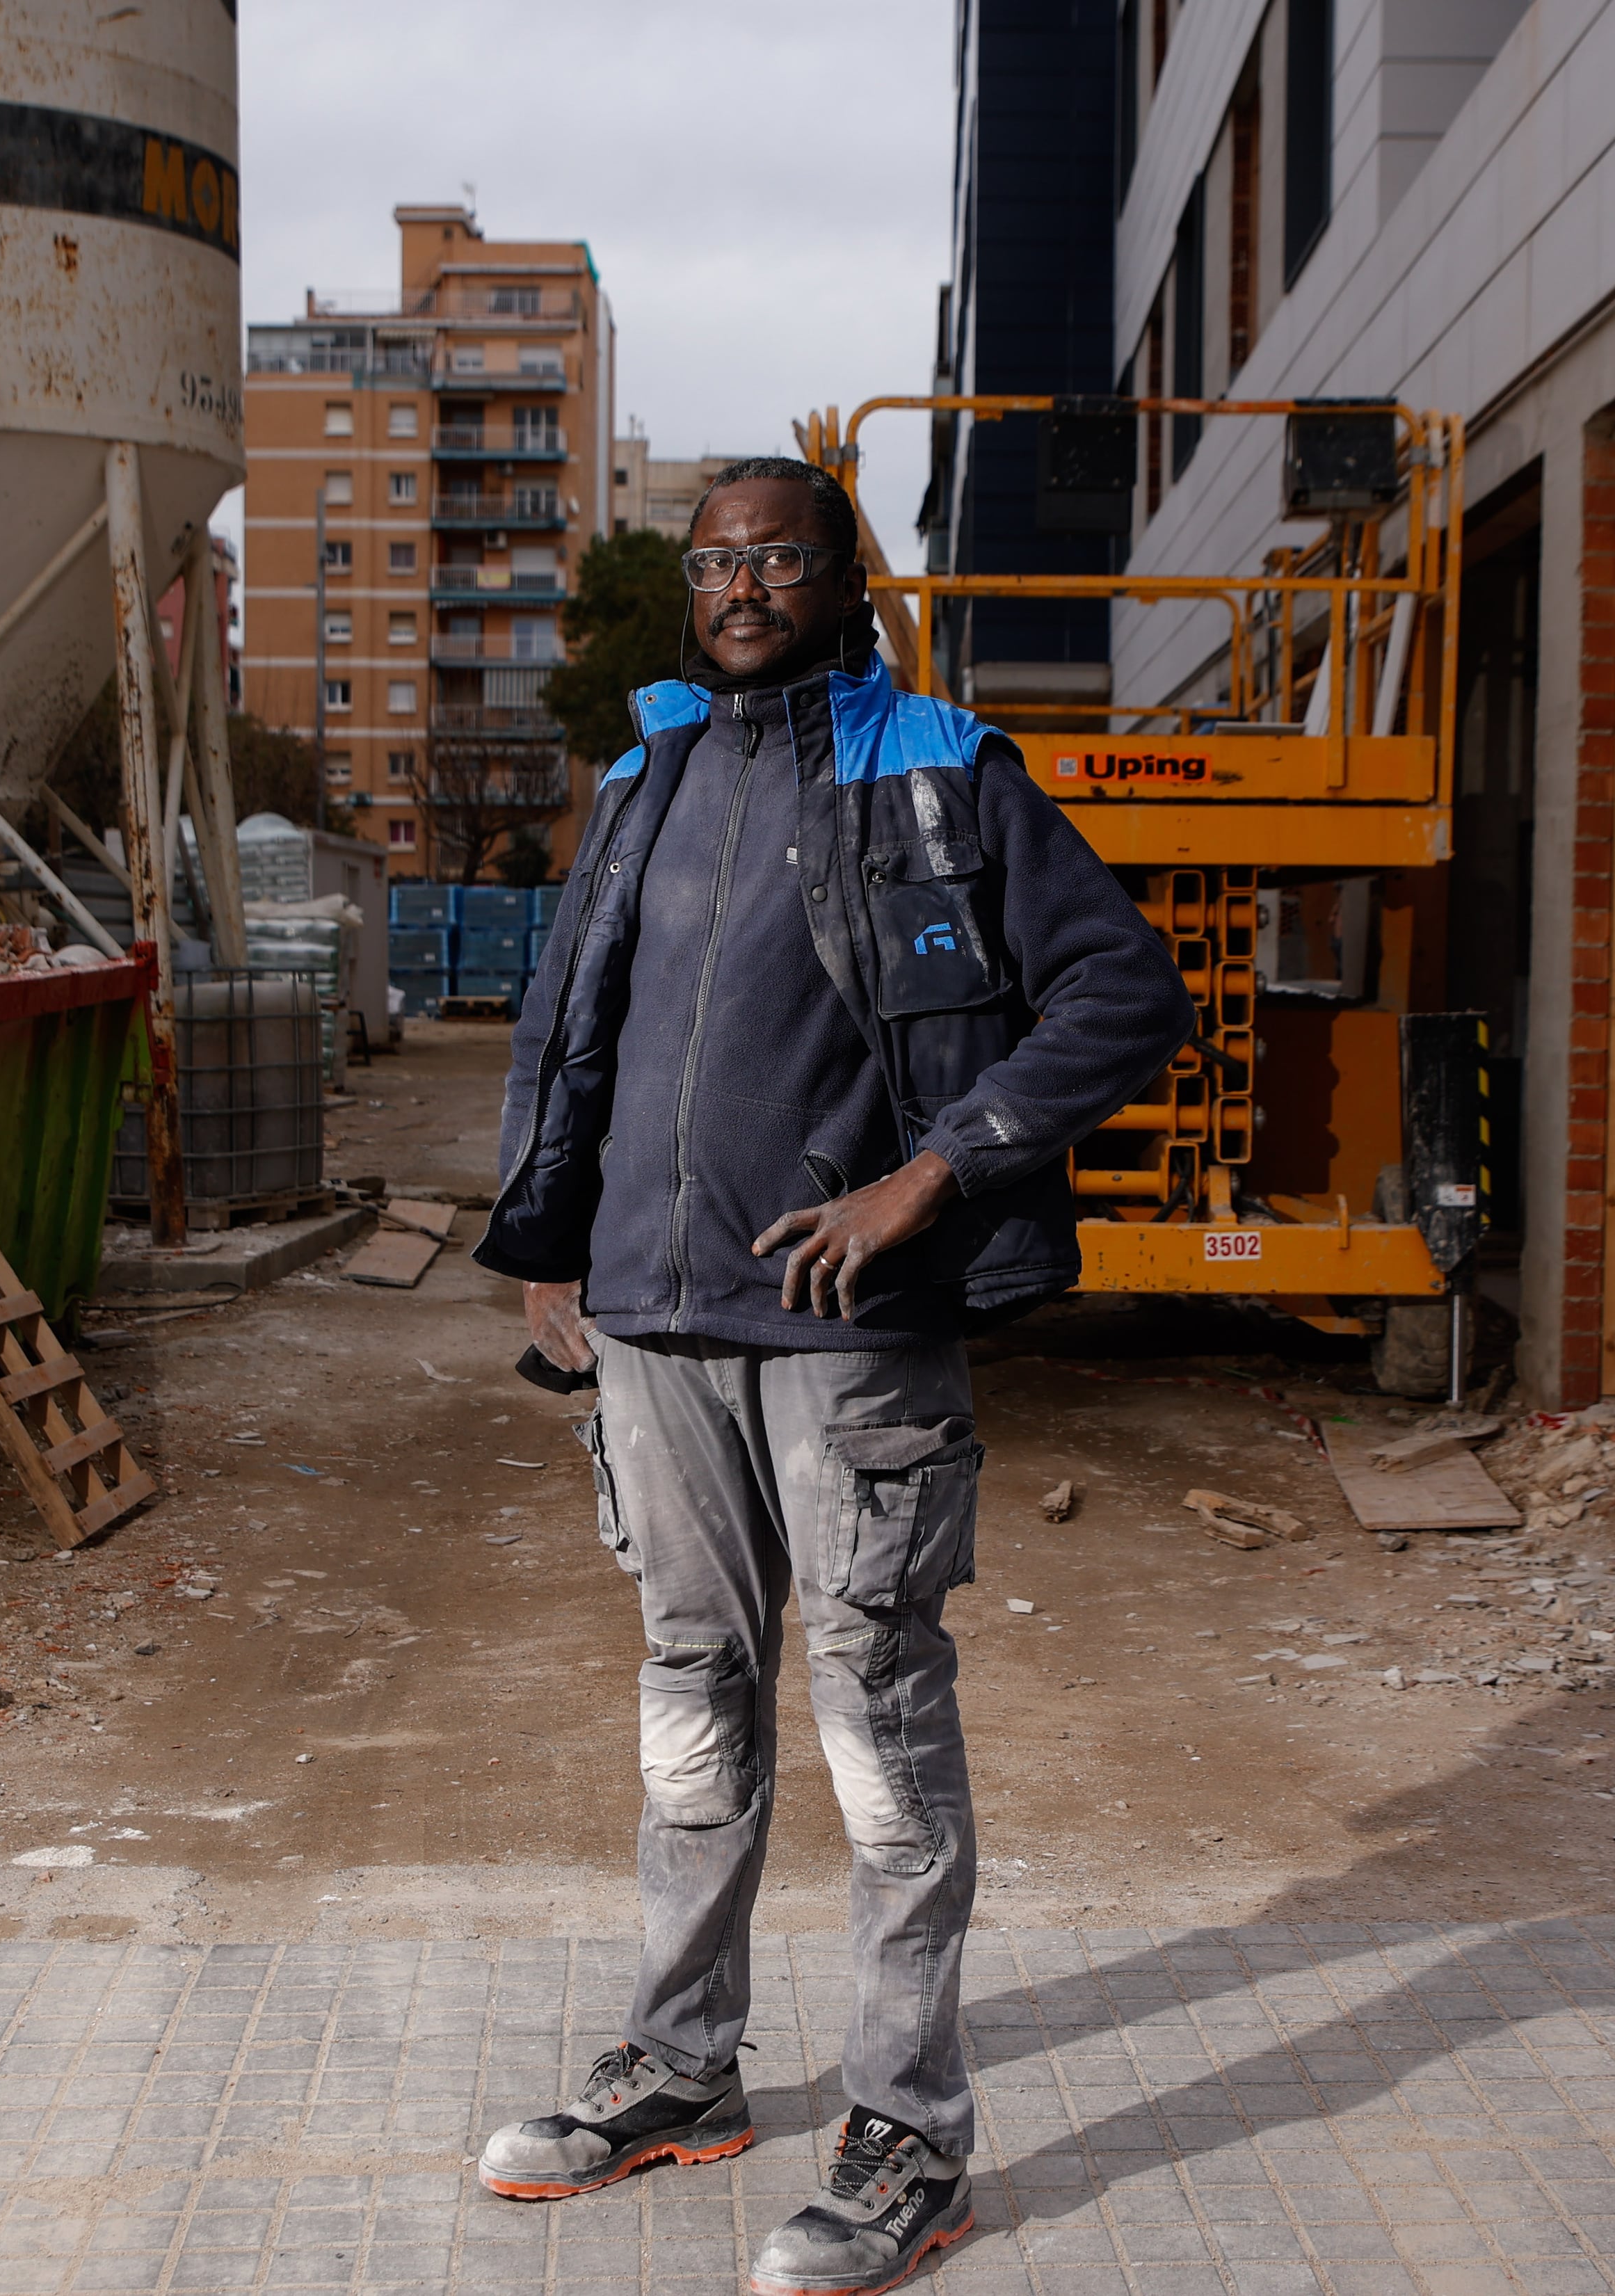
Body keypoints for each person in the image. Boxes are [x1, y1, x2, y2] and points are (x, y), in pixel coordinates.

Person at [469, 456, 1194, 2294]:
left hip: (851, 1343)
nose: (739, 586)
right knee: (693, 1692)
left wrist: (934, 1171)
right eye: (713, 561)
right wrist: (549, 1234)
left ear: (839, 577)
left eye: (774, 557)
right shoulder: (643, 778)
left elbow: (1120, 992)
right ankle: (683, 2067)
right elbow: (575, 1024)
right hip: (651, 1324)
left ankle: (909, 2137)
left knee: (881, 1721)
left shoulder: (936, 765)